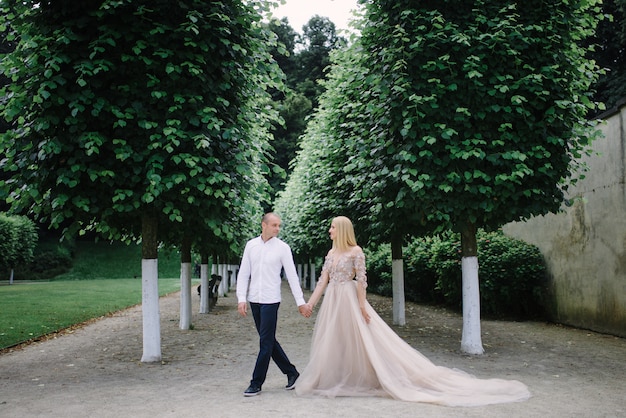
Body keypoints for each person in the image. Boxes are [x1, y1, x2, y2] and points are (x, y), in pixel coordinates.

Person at [295, 216, 531, 406]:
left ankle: (366, 376)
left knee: (363, 339)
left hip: (349, 299)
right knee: (335, 340)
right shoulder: (330, 254)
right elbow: (322, 282)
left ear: (343, 229)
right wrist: (310, 304)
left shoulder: (356, 251)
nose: (330, 230)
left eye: (333, 227)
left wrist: (361, 306)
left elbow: (362, 281)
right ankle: (336, 376)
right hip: (333, 301)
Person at [236, 212, 312, 397]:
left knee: (265, 342)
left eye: (279, 225)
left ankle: (256, 383)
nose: (277, 228)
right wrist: (241, 298)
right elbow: (244, 273)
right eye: (274, 225)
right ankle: (291, 372)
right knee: (268, 340)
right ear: (264, 225)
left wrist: (300, 302)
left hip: (271, 300)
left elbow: (292, 276)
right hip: (254, 299)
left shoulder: (283, 248)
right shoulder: (251, 246)